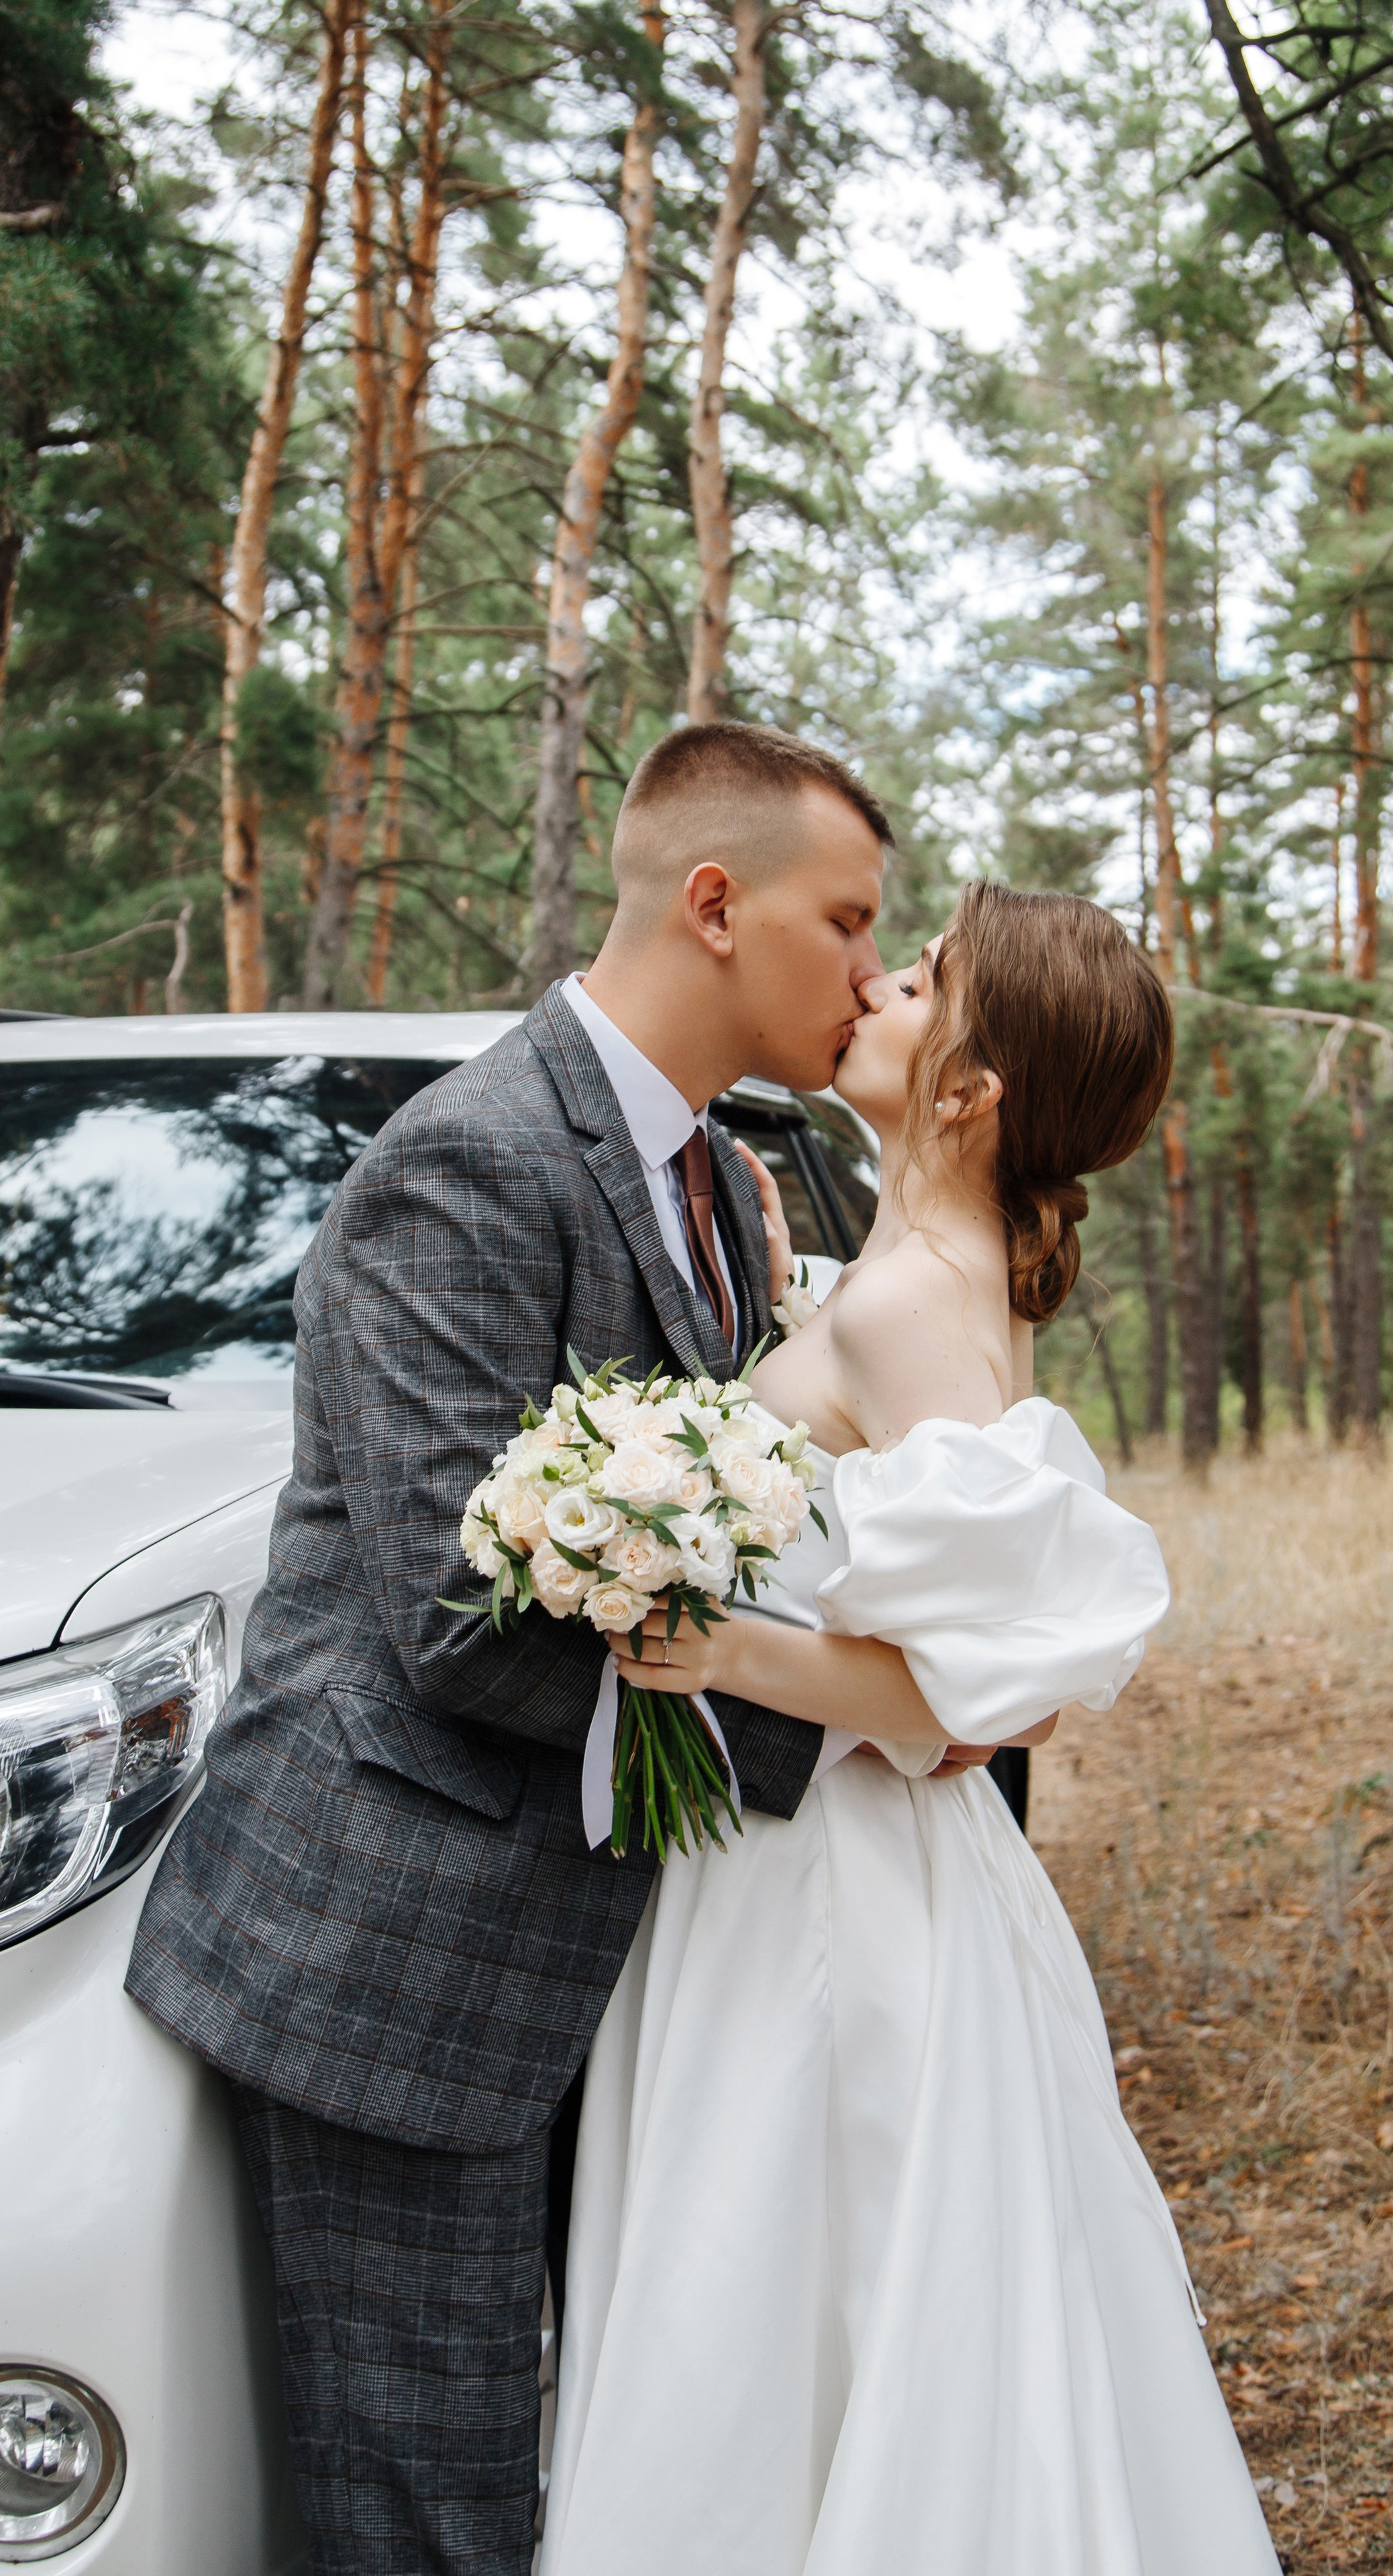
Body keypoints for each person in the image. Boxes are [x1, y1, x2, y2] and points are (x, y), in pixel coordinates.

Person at [125, 722, 1006, 2575]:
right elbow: (460, 1623)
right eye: (849, 921)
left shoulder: (721, 1183)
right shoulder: (471, 1161)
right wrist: (848, 1735)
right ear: (715, 904)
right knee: (429, 2520)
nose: (871, 969)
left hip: (625, 1956)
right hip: (405, 1964)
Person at [538, 880, 1279, 2576]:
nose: (877, 981)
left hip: (837, 1894)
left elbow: (957, 1708)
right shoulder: (908, 1276)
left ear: (971, 1088)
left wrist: (710, 1647)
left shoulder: (909, 1305)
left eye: (923, 977)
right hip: (828, 1868)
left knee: (793, 2292)